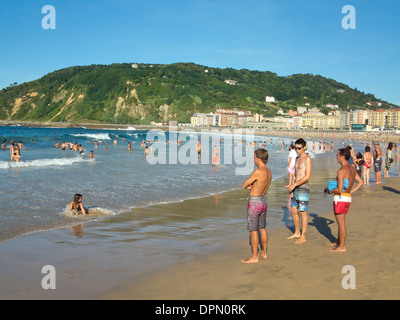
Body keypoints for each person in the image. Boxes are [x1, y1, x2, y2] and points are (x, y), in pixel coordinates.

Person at [325, 148, 363, 252]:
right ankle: (338, 241)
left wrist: (330, 191)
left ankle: (342, 247)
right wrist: (350, 191)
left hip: (340, 199)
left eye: (337, 155)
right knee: (340, 222)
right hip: (347, 198)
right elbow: (360, 182)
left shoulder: (341, 171)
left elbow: (339, 189)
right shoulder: (352, 169)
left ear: (342, 157)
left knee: (341, 223)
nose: (336, 157)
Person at [241, 149, 272, 264]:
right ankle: (264, 252)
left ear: (259, 159)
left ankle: (254, 257)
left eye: (254, 158)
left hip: (254, 202)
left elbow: (244, 184)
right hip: (263, 201)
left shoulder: (258, 171)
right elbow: (262, 185)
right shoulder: (269, 172)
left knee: (253, 230)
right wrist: (254, 187)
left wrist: (251, 187)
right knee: (262, 228)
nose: (253, 160)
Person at [285, 138, 312, 244]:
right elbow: (295, 174)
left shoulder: (307, 158)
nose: (297, 150)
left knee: (302, 211)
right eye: (296, 148)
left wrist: (295, 184)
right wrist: (292, 186)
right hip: (295, 187)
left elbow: (307, 176)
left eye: (299, 148)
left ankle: (303, 235)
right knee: (293, 210)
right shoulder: (296, 158)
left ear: (304, 147)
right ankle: (297, 232)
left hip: (303, 187)